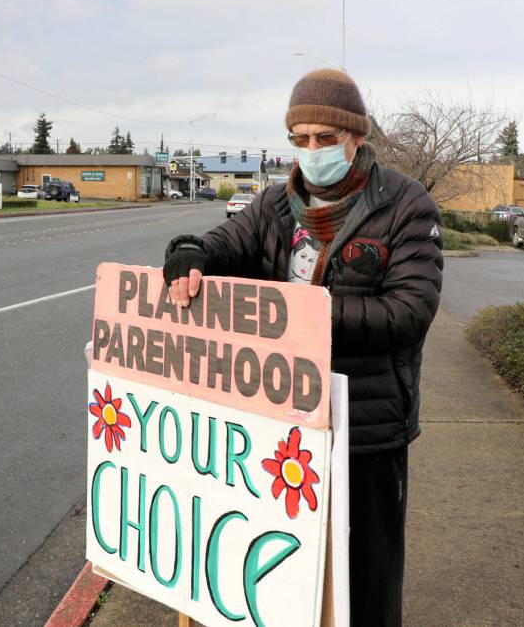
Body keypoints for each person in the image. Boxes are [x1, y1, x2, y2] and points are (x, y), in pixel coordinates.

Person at [162, 68, 443, 626]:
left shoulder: (406, 205)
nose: (312, 151)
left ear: (357, 137)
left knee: (366, 578)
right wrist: (188, 253)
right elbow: (219, 246)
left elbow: (410, 313)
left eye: (326, 138)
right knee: (285, 571)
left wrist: (301, 314)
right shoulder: (273, 205)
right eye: (301, 138)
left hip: (365, 425)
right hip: (280, 421)